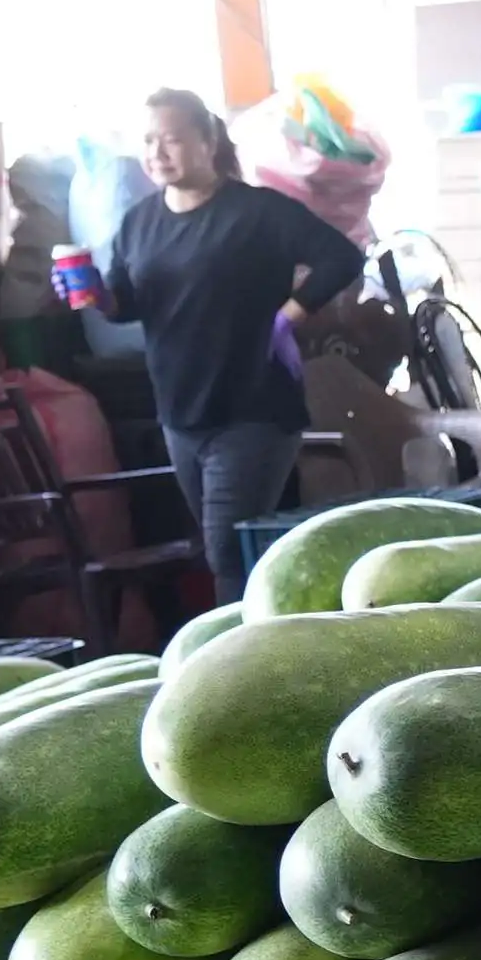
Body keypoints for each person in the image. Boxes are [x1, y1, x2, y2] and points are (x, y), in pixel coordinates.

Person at [101, 87, 365, 589]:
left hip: (253, 410)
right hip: (180, 415)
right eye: (149, 141)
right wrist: (94, 297)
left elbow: (342, 258)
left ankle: (237, 663)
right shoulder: (139, 222)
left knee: (227, 554)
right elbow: (127, 305)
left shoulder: (258, 212)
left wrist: (287, 316)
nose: (158, 153)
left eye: (172, 140)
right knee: (237, 552)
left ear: (208, 140)